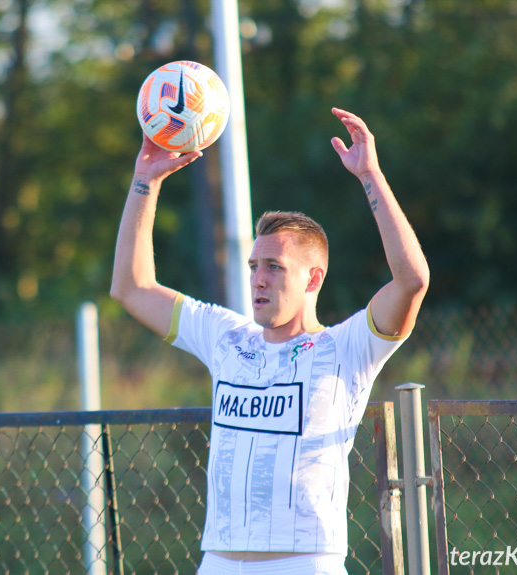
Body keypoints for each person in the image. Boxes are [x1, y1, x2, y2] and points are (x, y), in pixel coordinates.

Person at [110, 108, 429, 575]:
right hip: (217, 562)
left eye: (274, 268)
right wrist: (145, 180)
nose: (258, 279)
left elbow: (412, 280)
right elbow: (131, 287)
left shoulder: (346, 348)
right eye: (254, 266)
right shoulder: (226, 336)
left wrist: (370, 175)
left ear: (313, 278)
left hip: (304, 563)